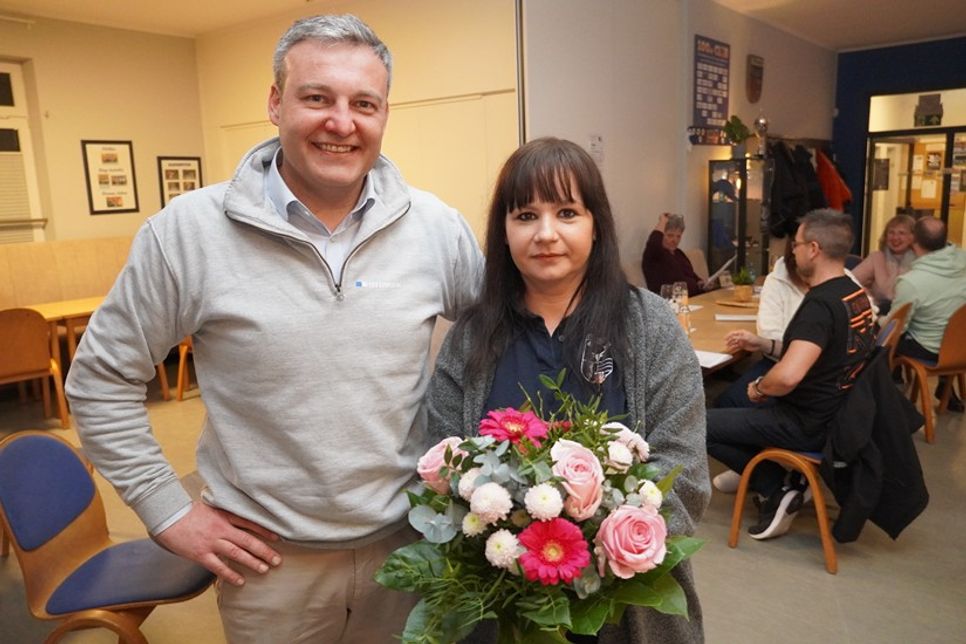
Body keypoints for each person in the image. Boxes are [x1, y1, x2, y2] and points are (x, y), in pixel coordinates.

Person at [65, 14, 482, 643]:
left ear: (384, 114)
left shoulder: (436, 229)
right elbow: (99, 382)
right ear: (275, 102)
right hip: (268, 566)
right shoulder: (186, 234)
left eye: (363, 103)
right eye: (317, 97)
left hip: (411, 547)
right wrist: (167, 508)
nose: (341, 123)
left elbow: (506, 345)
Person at [426, 138, 709, 643]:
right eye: (526, 215)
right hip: (501, 608)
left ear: (596, 224)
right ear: (504, 230)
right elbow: (445, 473)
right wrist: (512, 538)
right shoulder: (470, 338)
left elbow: (683, 474)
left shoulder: (650, 327)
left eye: (567, 212)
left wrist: (594, 541)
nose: (547, 234)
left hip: (626, 612)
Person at [706, 210, 876, 540]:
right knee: (727, 405)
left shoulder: (820, 304)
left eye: (796, 244)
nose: (793, 251)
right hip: (837, 416)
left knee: (698, 424)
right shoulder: (854, 295)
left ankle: (775, 487)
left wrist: (758, 388)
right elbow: (822, 352)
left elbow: (787, 378)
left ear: (814, 248)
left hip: (805, 423)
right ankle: (787, 482)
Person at [891, 216, 966, 411]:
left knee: (882, 334)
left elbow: (896, 329)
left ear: (913, 240)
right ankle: (946, 389)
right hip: (961, 346)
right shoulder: (963, 261)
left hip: (931, 350)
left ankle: (888, 401)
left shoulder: (912, 282)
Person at [851, 213, 916, 314]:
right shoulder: (877, 257)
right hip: (880, 315)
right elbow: (851, 280)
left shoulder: (919, 261)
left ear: (912, 237)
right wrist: (869, 298)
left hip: (910, 315)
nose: (895, 238)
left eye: (901, 233)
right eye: (891, 232)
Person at [642, 212, 714, 297]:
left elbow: (691, 274)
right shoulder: (655, 253)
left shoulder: (678, 253)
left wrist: (700, 283)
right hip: (672, 302)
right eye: (670, 235)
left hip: (695, 297)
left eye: (678, 236)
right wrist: (663, 221)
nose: (674, 240)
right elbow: (654, 242)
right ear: (662, 235)